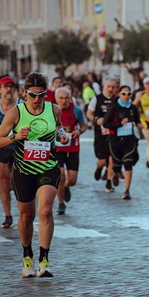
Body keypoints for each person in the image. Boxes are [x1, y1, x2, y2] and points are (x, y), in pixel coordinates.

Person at [0, 72, 69, 278]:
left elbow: (59, 129)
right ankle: (27, 255)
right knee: (26, 216)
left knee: (46, 210)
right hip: (23, 170)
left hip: (47, 167)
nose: (37, 99)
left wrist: (63, 136)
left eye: (42, 95)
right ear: (25, 93)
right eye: (32, 95)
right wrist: (15, 136)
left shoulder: (53, 109)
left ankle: (44, 260)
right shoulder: (16, 113)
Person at [103, 85, 143, 200]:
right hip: (115, 140)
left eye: (129, 94)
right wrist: (119, 123)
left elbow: (137, 120)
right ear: (119, 94)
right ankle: (115, 173)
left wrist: (139, 125)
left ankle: (127, 191)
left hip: (129, 139)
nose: (126, 96)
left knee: (128, 163)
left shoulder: (133, 107)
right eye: (123, 94)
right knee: (116, 164)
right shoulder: (114, 107)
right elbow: (106, 123)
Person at [54, 87, 87, 215]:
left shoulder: (76, 110)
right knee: (60, 175)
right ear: (56, 98)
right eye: (61, 98)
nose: (63, 101)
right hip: (57, 148)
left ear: (70, 97)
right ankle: (61, 203)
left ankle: (66, 187)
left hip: (73, 147)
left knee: (72, 180)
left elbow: (84, 125)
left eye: (66, 98)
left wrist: (79, 131)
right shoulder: (51, 110)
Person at [87, 77, 118, 192]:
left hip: (114, 133)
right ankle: (99, 168)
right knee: (102, 160)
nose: (110, 89)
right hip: (100, 133)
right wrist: (96, 120)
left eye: (113, 87)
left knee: (112, 159)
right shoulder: (97, 99)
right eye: (108, 87)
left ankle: (109, 182)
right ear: (103, 87)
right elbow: (89, 113)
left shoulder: (118, 99)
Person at [0, 76, 19, 228]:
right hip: (1, 148)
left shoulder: (21, 106)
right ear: (0, 89)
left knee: (14, 181)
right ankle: (8, 215)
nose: (8, 89)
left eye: (11, 86)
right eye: (5, 86)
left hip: (19, 148)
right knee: (3, 180)